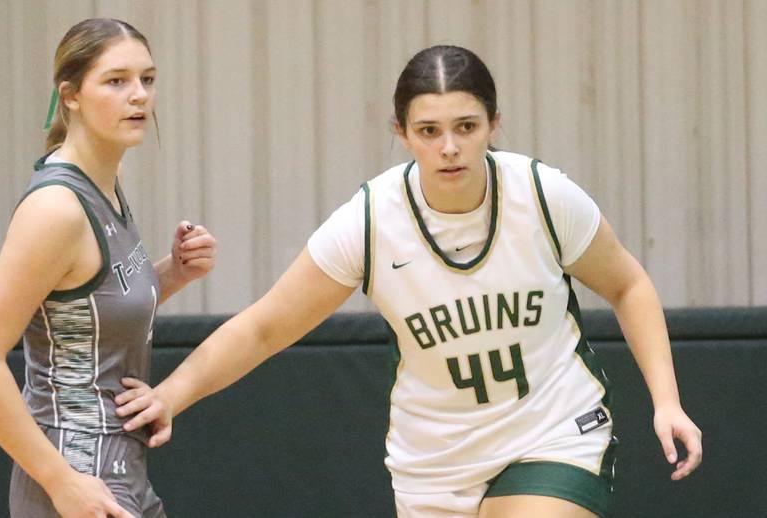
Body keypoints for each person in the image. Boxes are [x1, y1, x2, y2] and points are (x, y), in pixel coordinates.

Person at [117, 45, 701, 518]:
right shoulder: (372, 221)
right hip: (435, 460)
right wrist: (172, 393)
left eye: (466, 126)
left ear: (493, 124)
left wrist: (667, 401)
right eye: (428, 130)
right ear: (401, 131)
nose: (448, 147)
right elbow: (266, 327)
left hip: (551, 430)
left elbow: (628, 284)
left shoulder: (544, 195)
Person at [0, 18, 216, 518]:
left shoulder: (104, 181)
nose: (139, 95)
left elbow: (84, 312)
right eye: (116, 80)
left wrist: (172, 273)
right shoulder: (57, 208)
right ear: (71, 95)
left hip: (122, 471)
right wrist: (60, 481)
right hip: (78, 477)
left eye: (147, 79)